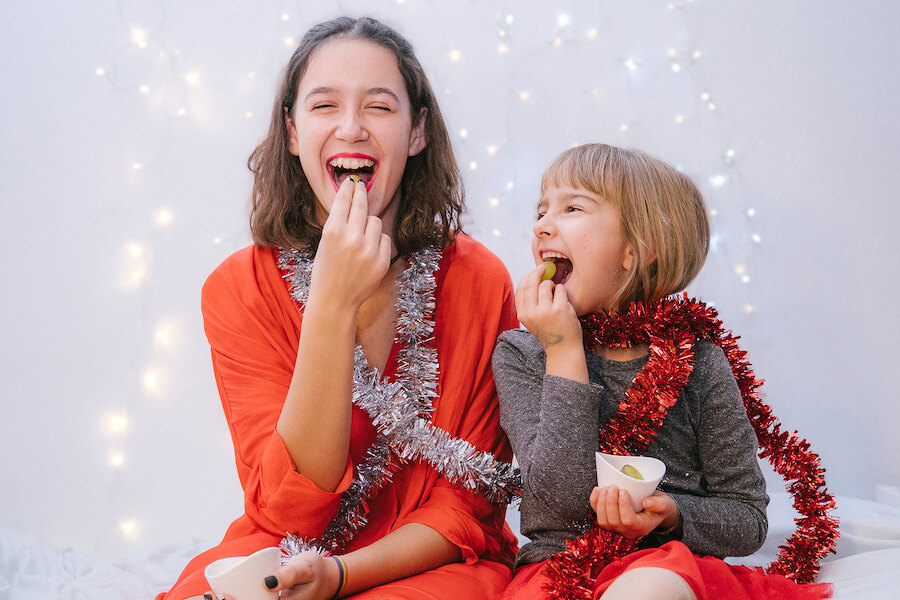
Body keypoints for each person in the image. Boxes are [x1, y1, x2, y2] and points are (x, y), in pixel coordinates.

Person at [157, 16, 519, 600]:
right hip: (286, 546)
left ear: (418, 131)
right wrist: (329, 304)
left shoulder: (480, 281)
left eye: (380, 106)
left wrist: (344, 577)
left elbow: (469, 507)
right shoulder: (236, 289)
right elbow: (287, 512)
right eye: (324, 105)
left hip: (426, 561)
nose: (351, 128)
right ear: (294, 133)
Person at [492, 144, 834, 599]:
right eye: (541, 210)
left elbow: (747, 518)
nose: (541, 224)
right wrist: (562, 349)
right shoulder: (522, 353)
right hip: (557, 570)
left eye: (572, 207)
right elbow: (563, 499)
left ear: (637, 250)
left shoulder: (699, 362)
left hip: (664, 568)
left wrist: (671, 513)